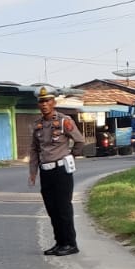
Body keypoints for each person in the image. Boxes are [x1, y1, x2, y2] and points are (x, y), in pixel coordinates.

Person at [27, 88, 83, 256]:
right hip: (46, 172)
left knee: (63, 208)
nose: (44, 104)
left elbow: (79, 140)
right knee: (52, 209)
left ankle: (71, 244)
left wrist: (71, 156)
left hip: (61, 171)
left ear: (54, 103)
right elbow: (34, 149)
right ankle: (60, 243)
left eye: (47, 101)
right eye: (41, 102)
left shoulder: (64, 121)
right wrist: (33, 172)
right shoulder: (38, 125)